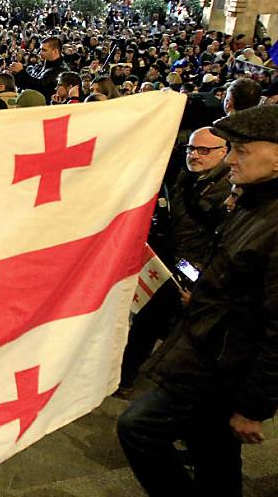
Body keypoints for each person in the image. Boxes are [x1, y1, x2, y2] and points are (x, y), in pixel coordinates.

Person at [118, 105, 278, 497]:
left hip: (222, 364)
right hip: (212, 350)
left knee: (139, 427)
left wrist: (254, 405)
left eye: (241, 150)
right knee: (212, 449)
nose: (231, 158)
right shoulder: (254, 202)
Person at [117, 127, 232, 398]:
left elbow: (223, 243)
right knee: (148, 321)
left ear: (224, 152)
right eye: (191, 148)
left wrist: (200, 281)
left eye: (204, 150)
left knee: (168, 326)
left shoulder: (227, 191)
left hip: (189, 271)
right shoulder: (187, 176)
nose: (195, 155)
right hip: (166, 260)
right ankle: (128, 377)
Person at [9, 36, 69, 103]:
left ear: (55, 51)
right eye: (40, 49)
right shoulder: (40, 66)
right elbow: (26, 84)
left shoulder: (62, 71)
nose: (40, 53)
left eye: (44, 50)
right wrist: (16, 74)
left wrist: (21, 72)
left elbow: (40, 87)